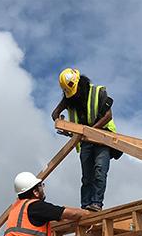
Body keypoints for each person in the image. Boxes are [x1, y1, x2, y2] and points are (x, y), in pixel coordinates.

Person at [51, 67, 120, 212]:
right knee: (87, 176)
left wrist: (91, 131)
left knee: (100, 170)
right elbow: (55, 113)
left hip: (103, 138)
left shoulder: (97, 92)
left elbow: (108, 115)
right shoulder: (69, 98)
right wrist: (61, 121)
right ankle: (85, 205)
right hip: (85, 142)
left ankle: (96, 203)